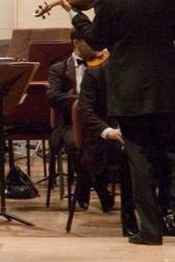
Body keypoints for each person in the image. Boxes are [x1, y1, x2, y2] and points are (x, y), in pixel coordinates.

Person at [63, 0, 175, 245]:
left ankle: (150, 231)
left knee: (139, 161)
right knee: (170, 156)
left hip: (130, 90)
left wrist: (76, 15)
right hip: (168, 86)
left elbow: (97, 41)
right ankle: (172, 217)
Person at [47, 28, 113, 212]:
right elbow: (52, 96)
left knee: (103, 143)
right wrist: (82, 101)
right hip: (69, 123)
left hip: (98, 121)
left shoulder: (103, 67)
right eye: (90, 42)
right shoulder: (58, 68)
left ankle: (83, 187)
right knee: (75, 145)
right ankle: (101, 190)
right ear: (76, 43)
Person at [79, 64, 137, 237]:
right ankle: (129, 216)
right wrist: (108, 132)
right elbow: (86, 111)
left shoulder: (144, 72)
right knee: (129, 153)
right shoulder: (95, 74)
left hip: (139, 133)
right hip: (104, 139)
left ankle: (163, 212)